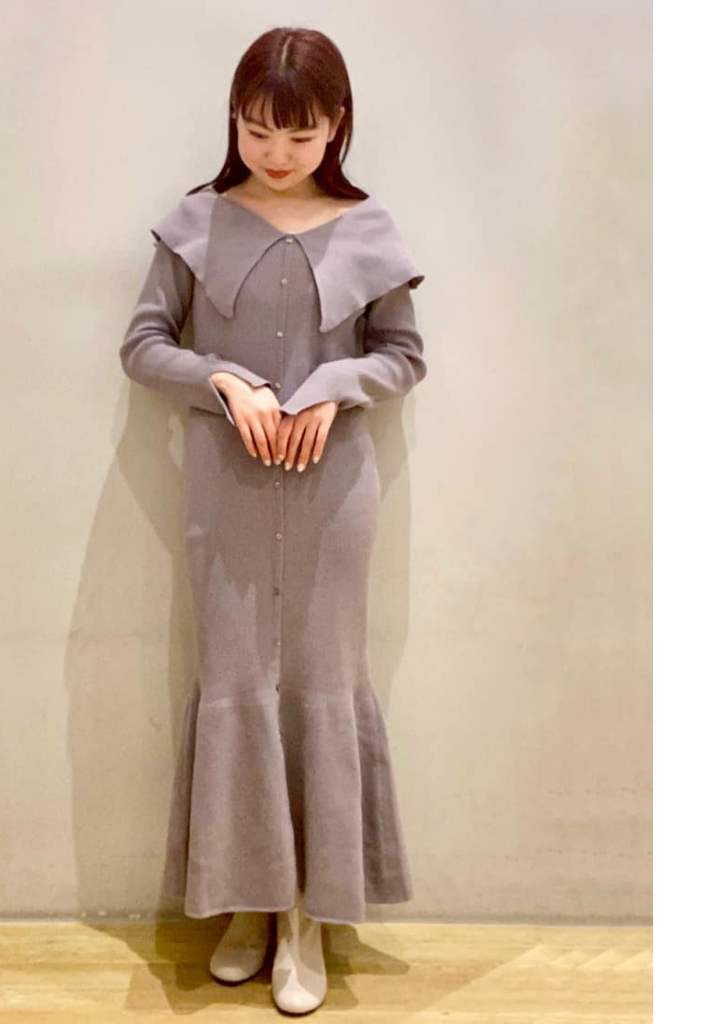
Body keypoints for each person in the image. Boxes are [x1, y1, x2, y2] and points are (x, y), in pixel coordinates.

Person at [119, 26, 427, 1015]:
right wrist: (222, 379)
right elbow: (144, 342)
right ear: (235, 123)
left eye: (298, 134)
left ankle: (306, 919)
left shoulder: (368, 228)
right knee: (237, 686)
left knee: (323, 687)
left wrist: (337, 385)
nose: (277, 153)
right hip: (226, 494)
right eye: (257, 132)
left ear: (336, 124)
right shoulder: (195, 224)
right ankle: (245, 904)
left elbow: (402, 354)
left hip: (335, 497)